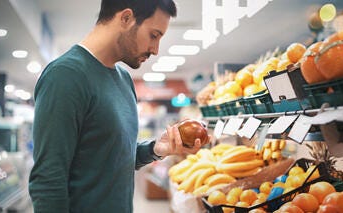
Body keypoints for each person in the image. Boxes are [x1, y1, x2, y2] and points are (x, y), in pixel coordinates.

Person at [28, 0, 208, 212]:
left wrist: (155, 149)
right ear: (125, 18)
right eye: (154, 35)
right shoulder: (65, 76)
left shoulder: (123, 79)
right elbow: (48, 180)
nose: (156, 49)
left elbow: (112, 159)